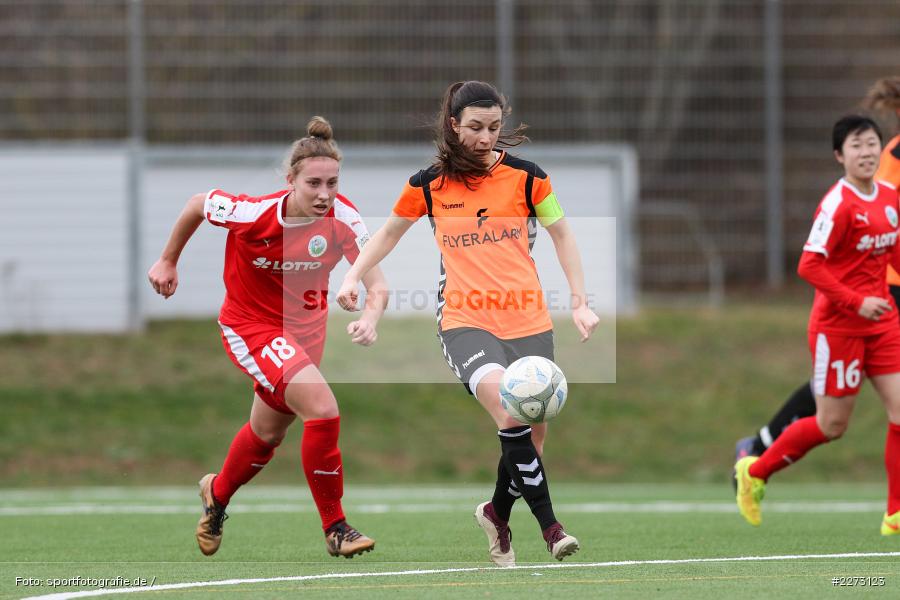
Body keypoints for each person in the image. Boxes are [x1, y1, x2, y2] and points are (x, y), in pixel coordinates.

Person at [334, 81, 600, 565]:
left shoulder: (528, 177)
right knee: (510, 412)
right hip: (464, 321)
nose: (485, 138)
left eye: (494, 127)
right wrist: (353, 275)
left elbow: (563, 235)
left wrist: (580, 302)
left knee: (531, 438)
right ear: (454, 126)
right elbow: (387, 234)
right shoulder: (427, 185)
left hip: (530, 320)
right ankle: (551, 528)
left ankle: (497, 513)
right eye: (475, 127)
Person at [147, 117, 386, 558]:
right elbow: (198, 204)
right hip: (251, 328)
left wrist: (369, 316)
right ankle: (336, 527)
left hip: (306, 336)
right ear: (290, 180)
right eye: (313, 183)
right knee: (323, 409)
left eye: (332, 183)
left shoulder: (344, 219)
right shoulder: (253, 214)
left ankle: (215, 495)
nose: (324, 194)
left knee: (267, 433)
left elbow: (379, 286)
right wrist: (167, 261)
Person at [735, 115, 900, 536]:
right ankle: (755, 471)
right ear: (839, 156)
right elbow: (809, 265)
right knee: (832, 426)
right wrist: (854, 301)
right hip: (838, 328)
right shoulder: (837, 204)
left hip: (882, 323)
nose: (865, 152)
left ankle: (895, 514)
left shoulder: (890, 196)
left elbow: (893, 252)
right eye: (856, 146)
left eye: (871, 145)